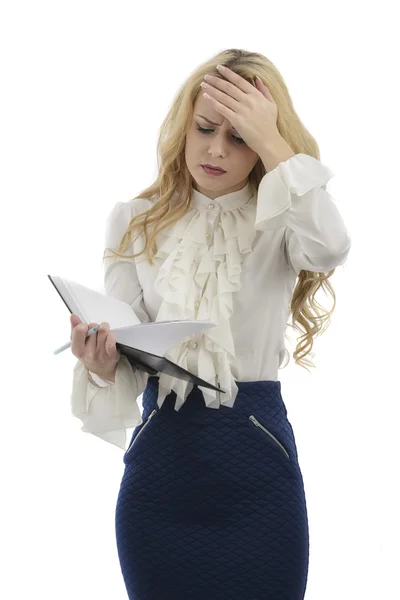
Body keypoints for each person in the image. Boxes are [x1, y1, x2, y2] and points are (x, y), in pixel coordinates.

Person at [70, 48, 351, 600]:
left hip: (257, 457)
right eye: (204, 128)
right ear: (183, 127)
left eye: (240, 137)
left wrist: (273, 138)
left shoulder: (285, 217)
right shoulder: (132, 221)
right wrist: (102, 364)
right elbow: (129, 357)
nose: (217, 149)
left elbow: (331, 248)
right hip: (161, 467)